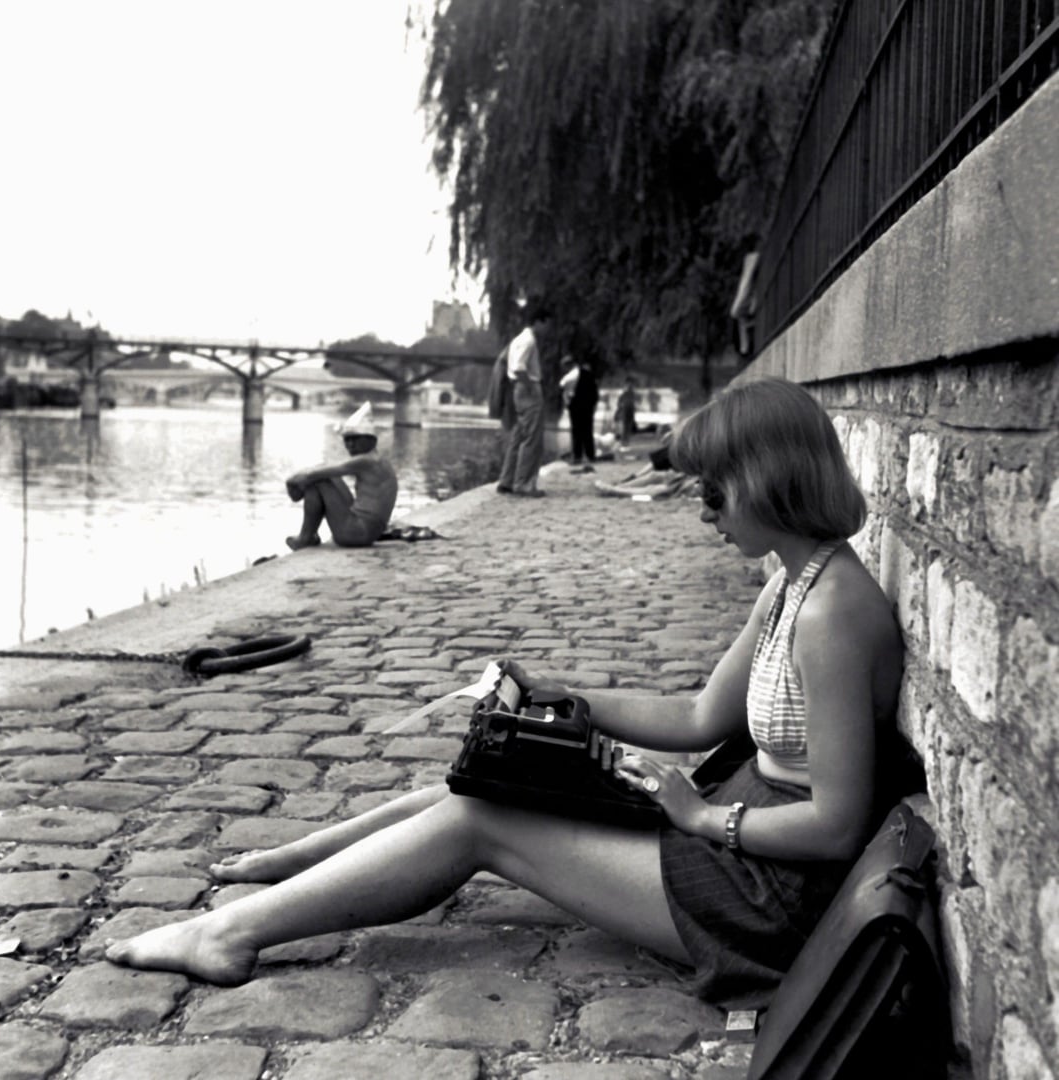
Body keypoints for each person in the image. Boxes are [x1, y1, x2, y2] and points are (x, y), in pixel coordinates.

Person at [106, 377, 903, 1008]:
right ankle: (292, 866)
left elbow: (836, 827)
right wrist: (565, 695)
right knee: (488, 784)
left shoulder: (832, 614)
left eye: (713, 493)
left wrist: (701, 817)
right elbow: (700, 715)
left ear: (765, 483)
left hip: (767, 899)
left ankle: (228, 933)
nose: (702, 514)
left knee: (479, 821)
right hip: (746, 844)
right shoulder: (793, 583)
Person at [284, 402, 398, 550]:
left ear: (371, 440)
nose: (350, 445)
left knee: (320, 480)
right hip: (368, 531)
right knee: (325, 476)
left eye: (355, 439)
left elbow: (311, 475)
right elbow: (327, 469)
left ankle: (305, 538)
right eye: (347, 440)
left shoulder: (366, 461)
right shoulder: (378, 460)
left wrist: (291, 483)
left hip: (357, 533)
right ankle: (308, 536)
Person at [496, 304, 552, 498]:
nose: (548, 330)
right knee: (532, 439)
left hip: (518, 390)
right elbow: (519, 368)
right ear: (539, 322)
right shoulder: (529, 341)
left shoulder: (518, 339)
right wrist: (531, 387)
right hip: (528, 388)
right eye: (548, 325)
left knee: (518, 436)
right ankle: (524, 484)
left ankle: (507, 480)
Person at [559, 354, 599, 470]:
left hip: (576, 406)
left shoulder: (570, 376)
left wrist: (567, 401)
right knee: (588, 431)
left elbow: (561, 385)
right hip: (588, 406)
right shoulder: (588, 374)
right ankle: (590, 455)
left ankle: (577, 456)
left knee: (576, 431)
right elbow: (594, 391)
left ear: (568, 365)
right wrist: (593, 405)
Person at [613, 376, 637, 446]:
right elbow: (619, 404)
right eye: (628, 384)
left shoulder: (631, 393)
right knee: (624, 428)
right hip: (624, 412)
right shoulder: (624, 394)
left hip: (629, 412)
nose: (630, 385)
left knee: (627, 428)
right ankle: (623, 442)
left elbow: (632, 403)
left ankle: (625, 443)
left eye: (631, 383)